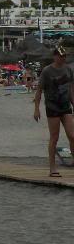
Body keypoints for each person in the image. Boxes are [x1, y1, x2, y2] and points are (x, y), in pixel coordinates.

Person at [33, 46, 74, 177]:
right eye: (61, 56)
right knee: (54, 138)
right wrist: (36, 109)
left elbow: (71, 89)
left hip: (66, 106)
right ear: (55, 56)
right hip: (52, 108)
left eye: (64, 56)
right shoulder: (47, 71)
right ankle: (52, 168)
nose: (63, 58)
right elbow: (39, 90)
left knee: (72, 135)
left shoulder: (68, 69)